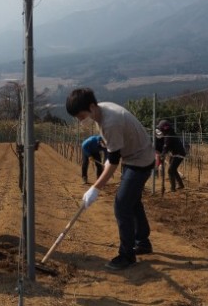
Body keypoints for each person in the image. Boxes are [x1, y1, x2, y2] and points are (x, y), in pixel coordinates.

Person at [66, 88, 155, 271]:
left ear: (91, 107)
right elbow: (111, 153)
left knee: (122, 204)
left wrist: (95, 188)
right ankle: (143, 242)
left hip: (140, 161)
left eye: (80, 116)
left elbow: (113, 161)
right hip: (134, 156)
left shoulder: (110, 122)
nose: (80, 121)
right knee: (133, 200)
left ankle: (127, 255)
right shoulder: (102, 110)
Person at [154, 119, 185, 192]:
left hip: (178, 154)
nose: (160, 130)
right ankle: (180, 185)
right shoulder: (170, 133)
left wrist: (162, 155)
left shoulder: (168, 136)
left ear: (164, 128)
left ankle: (173, 189)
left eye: (161, 128)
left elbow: (166, 147)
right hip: (176, 154)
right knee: (173, 170)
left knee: (170, 171)